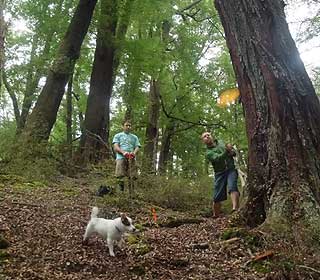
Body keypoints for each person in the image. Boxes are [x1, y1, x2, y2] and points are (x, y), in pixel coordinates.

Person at [201, 131, 240, 218]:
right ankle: (216, 215)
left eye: (208, 135)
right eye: (205, 136)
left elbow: (232, 152)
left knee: (232, 187)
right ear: (203, 141)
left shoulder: (221, 142)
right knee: (217, 195)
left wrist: (231, 151)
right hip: (220, 173)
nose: (207, 137)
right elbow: (218, 158)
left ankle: (235, 210)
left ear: (211, 136)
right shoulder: (208, 153)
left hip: (231, 169)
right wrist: (226, 151)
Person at [112, 120, 141, 192]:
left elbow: (137, 146)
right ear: (123, 126)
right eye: (126, 125)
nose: (128, 127)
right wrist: (123, 152)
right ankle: (120, 193)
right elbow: (115, 146)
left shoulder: (134, 137)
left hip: (131, 158)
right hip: (120, 158)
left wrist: (134, 153)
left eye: (129, 126)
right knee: (119, 175)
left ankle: (132, 194)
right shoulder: (118, 135)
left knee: (132, 176)